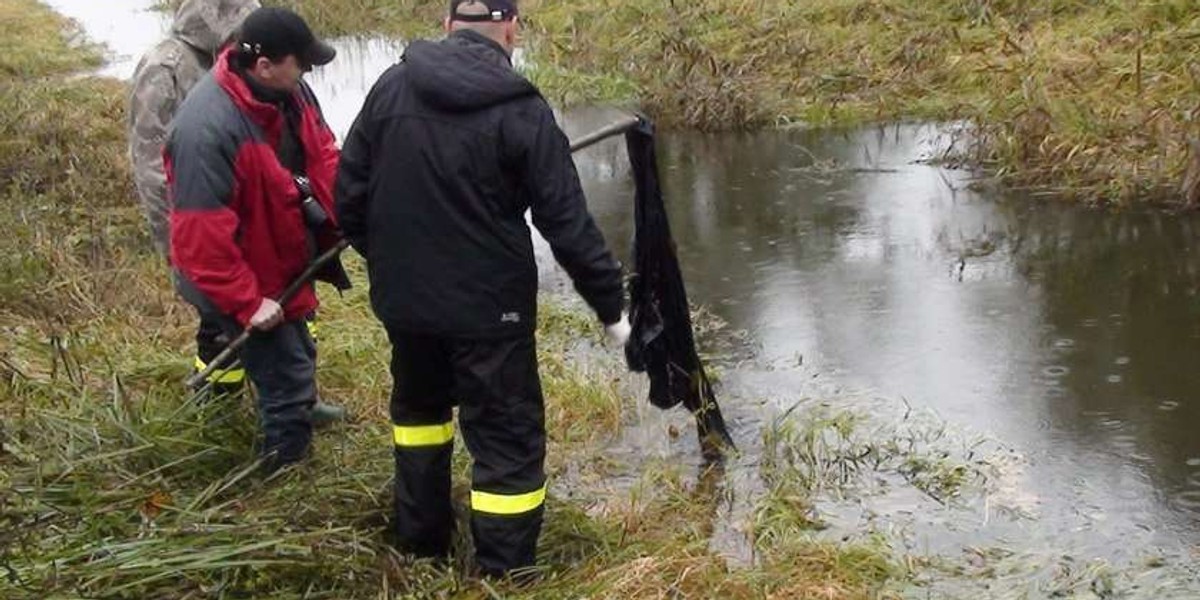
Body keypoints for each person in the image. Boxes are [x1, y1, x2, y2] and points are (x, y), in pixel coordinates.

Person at [335, 0, 631, 577]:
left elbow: (349, 195)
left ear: (447, 26)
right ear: (513, 30)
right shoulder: (522, 108)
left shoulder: (390, 89)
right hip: (490, 313)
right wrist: (610, 305)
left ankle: (421, 546)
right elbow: (567, 224)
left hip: (408, 305)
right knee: (506, 442)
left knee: (419, 416)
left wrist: (395, 265)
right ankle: (505, 575)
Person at [166, 7, 352, 471]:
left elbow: (323, 153)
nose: (308, 71)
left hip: (280, 253)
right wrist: (247, 302)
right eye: (302, 62)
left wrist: (348, 211)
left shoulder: (291, 91)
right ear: (264, 65)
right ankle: (286, 477)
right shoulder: (205, 130)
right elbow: (200, 237)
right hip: (237, 273)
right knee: (283, 375)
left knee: (300, 349)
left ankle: (299, 413)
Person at [128, 0, 260, 397]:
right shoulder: (164, 67)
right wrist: (178, 243)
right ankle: (218, 406)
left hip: (239, 219)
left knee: (264, 311)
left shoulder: (233, 59)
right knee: (217, 321)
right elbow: (150, 167)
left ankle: (288, 398)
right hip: (197, 226)